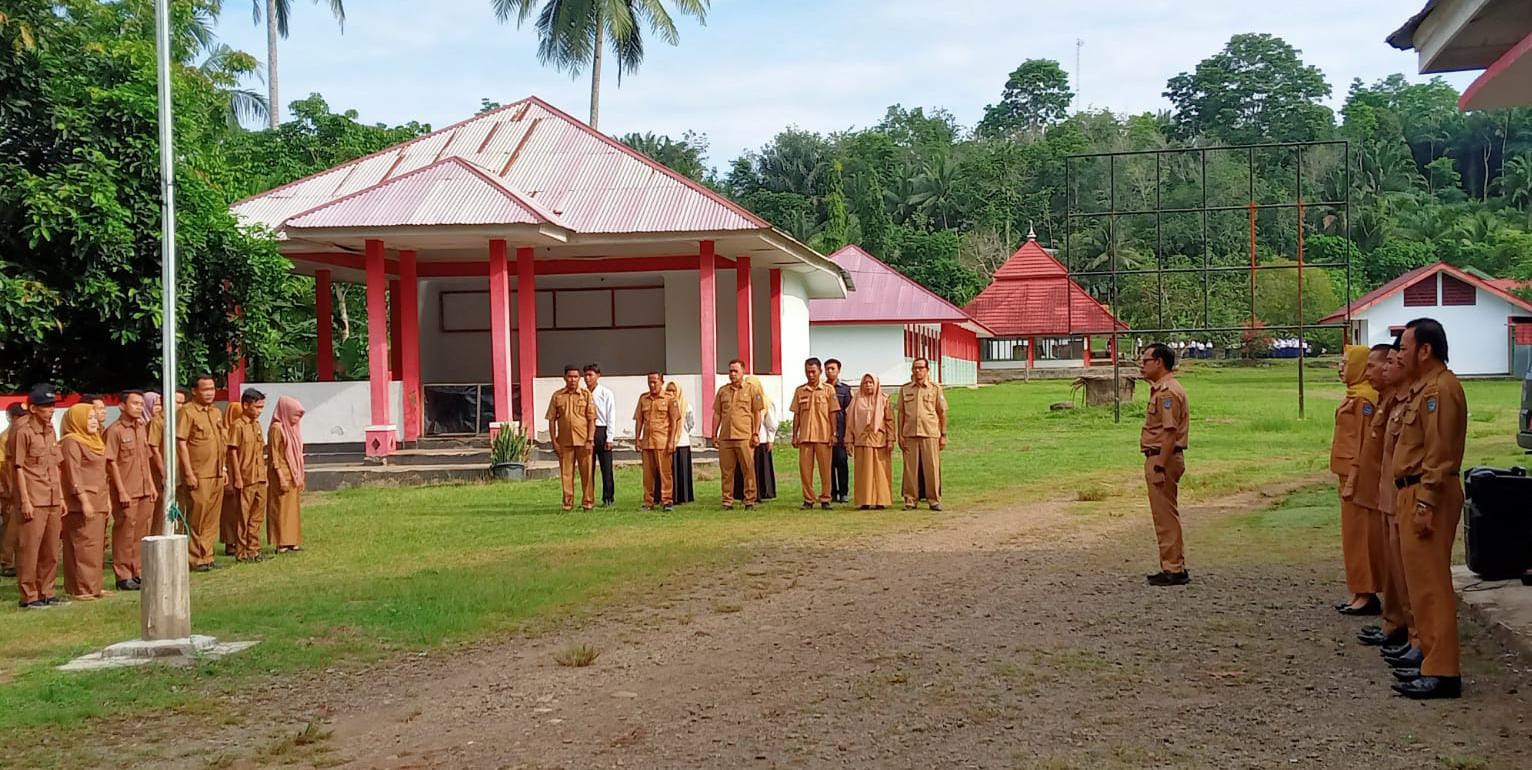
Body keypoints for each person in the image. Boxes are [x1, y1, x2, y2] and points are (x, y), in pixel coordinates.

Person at [1388, 318, 1468, 700]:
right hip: (1412, 490)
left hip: (1427, 493)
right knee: (1420, 585)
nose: (1399, 354)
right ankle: (1429, 657)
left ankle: (1443, 670)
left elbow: (1440, 453)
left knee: (1433, 585)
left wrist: (1426, 501)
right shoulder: (1424, 390)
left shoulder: (1441, 390)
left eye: (1404, 347)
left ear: (1425, 350)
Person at [1357, 344, 1412, 649]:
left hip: (1402, 492)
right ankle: (1395, 623)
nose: (1386, 367)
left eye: (1392, 360)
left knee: (1406, 569)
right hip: (1385, 494)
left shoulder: (1418, 398)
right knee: (1393, 566)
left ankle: (1410, 633)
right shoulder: (1387, 399)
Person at [1332, 345, 1382, 616]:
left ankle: (1366, 592)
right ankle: (1358, 590)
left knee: (1361, 537)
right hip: (1347, 475)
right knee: (1352, 537)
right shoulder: (1354, 395)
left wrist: (1353, 480)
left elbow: (1365, 445)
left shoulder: (1365, 400)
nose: (1341, 367)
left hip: (1358, 479)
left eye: (1346, 362)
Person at [1137, 343, 1190, 587]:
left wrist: (1159, 465)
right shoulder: (1163, 390)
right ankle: (1172, 564)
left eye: (1146, 360)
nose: (1142, 365)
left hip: (1163, 458)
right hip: (1162, 456)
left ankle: (1173, 568)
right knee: (1165, 514)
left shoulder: (1167, 393)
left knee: (1165, 515)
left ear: (1159, 363)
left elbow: (1169, 432)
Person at [11, 385, 64, 608]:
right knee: (29, 549)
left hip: (51, 496)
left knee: (51, 549)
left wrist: (60, 497)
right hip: (33, 497)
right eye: (45, 407)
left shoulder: (50, 429)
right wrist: (24, 500)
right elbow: (18, 467)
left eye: (52, 406)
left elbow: (55, 465)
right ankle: (29, 595)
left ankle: (47, 591)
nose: (50, 410)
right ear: (33, 408)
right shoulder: (22, 431)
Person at [104, 390, 155, 591]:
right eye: (134, 403)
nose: (139, 407)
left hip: (143, 488)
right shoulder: (115, 431)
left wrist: (150, 484)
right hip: (126, 489)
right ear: (122, 406)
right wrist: (121, 490)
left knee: (141, 532)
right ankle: (123, 575)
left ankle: (138, 571)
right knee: (125, 533)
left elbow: (146, 459)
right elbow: (111, 463)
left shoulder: (141, 428)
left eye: (141, 404)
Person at [60, 403, 110, 601]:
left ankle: (94, 586)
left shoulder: (95, 440)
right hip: (82, 501)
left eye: (94, 418)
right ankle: (81, 588)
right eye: (88, 418)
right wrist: (83, 500)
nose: (93, 422)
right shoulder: (71, 441)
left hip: (99, 498)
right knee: (83, 545)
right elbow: (73, 473)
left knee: (96, 545)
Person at [177, 374, 227, 571]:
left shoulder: (215, 412)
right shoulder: (187, 412)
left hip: (216, 472)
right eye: (205, 390)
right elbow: (181, 443)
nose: (210, 393)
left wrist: (223, 468)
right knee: (198, 516)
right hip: (199, 473)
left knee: (212, 518)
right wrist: (188, 473)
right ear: (195, 391)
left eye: (212, 389)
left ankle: (207, 555)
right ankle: (195, 558)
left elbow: (220, 443)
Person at [897, 358, 948, 512]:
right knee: (910, 468)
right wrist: (900, 434)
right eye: (915, 368)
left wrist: (943, 434)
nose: (917, 371)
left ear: (927, 370)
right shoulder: (905, 389)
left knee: (931, 467)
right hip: (910, 433)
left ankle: (933, 500)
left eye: (920, 368)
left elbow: (942, 412)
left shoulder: (935, 389)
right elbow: (901, 413)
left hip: (930, 433)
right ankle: (911, 499)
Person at [791, 358, 840, 510]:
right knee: (805, 470)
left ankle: (826, 498)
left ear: (819, 371)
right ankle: (808, 499)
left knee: (825, 469)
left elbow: (833, 413)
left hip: (823, 436)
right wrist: (794, 434)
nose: (810, 375)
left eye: (813, 372)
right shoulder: (800, 390)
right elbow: (797, 415)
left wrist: (833, 433)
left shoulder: (828, 390)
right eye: (808, 372)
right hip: (805, 436)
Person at [714, 360, 763, 510]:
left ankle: (749, 500)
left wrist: (755, 433)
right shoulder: (723, 391)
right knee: (726, 471)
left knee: (748, 469)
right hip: (726, 437)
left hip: (744, 436)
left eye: (736, 371)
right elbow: (717, 414)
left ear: (743, 371)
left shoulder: (752, 390)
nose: (732, 374)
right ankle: (727, 500)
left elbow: (757, 413)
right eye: (730, 371)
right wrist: (713, 434)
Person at [547, 365, 597, 512]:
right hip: (565, 442)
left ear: (579, 378)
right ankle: (568, 503)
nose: (573, 380)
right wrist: (554, 441)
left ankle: (588, 502)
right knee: (566, 474)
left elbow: (592, 419)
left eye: (575, 377)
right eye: (570, 376)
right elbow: (551, 419)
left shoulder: (586, 395)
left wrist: (590, 439)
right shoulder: (558, 396)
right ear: (564, 378)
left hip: (583, 441)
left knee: (587, 473)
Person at [226, 389, 268, 562]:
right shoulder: (238, 425)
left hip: (259, 476)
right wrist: (236, 476)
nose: (259, 411)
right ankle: (241, 551)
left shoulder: (256, 425)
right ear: (246, 405)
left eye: (261, 407)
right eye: (257, 407)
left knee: (257, 515)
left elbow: (260, 450)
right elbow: (232, 451)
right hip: (245, 477)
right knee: (243, 515)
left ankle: (254, 549)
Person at [846, 373, 895, 510]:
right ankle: (865, 500)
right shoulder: (856, 400)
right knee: (863, 471)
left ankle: (881, 500)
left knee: (880, 471)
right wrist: (848, 441)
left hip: (880, 440)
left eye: (871, 383)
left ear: (876, 384)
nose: (868, 385)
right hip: (861, 440)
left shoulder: (884, 399)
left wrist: (891, 439)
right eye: (866, 383)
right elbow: (849, 422)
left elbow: (890, 421)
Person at [634, 372, 681, 511]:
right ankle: (648, 502)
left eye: (655, 382)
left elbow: (674, 422)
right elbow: (639, 420)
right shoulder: (643, 398)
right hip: (647, 442)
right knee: (647, 476)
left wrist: (672, 441)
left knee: (665, 473)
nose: (652, 385)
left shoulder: (669, 399)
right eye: (650, 382)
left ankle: (667, 501)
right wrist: (637, 439)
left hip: (663, 442)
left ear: (661, 382)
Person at [267, 395, 306, 553]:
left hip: (293, 473)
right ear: (286, 412)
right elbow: (274, 454)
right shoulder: (277, 428)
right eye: (295, 415)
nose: (297, 419)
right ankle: (280, 542)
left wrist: (299, 475)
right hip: (280, 472)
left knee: (292, 508)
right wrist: (280, 475)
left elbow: (296, 454)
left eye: (299, 416)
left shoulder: (293, 429)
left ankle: (292, 540)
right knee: (280, 507)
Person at [734, 376, 778, 502]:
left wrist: (770, 439)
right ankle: (744, 492)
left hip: (760, 439)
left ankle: (760, 492)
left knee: (758, 468)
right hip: (743, 438)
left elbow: (772, 424)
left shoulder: (766, 402)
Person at [584, 364, 617, 508]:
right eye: (585, 375)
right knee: (587, 468)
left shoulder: (606, 393)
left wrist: (610, 437)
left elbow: (611, 416)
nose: (587, 378)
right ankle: (588, 498)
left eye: (590, 375)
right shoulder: (582, 393)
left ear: (598, 376)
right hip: (586, 431)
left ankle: (608, 497)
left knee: (606, 468)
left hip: (602, 431)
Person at [0, 402, 27, 577]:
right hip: (9, 489)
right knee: (11, 526)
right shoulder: (5, 438)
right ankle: (6, 562)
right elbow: (4, 466)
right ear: (12, 418)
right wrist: (9, 489)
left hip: (23, 488)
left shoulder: (22, 435)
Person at [825, 358, 853, 504]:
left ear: (838, 370)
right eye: (827, 369)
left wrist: (849, 432)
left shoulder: (845, 389)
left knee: (842, 461)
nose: (830, 371)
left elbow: (850, 411)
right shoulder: (822, 388)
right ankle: (831, 492)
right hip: (825, 431)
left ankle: (844, 492)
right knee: (828, 463)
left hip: (841, 431)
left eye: (832, 369)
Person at [663, 382, 697, 505]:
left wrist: (681, 431)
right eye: (668, 390)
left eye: (673, 391)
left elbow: (691, 422)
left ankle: (683, 497)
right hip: (667, 442)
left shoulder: (686, 406)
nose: (671, 393)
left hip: (682, 442)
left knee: (681, 471)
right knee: (669, 471)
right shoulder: (664, 404)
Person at [219, 401, 245, 556]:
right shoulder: (223, 432)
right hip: (228, 475)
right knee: (229, 511)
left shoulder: (242, 428)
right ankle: (230, 542)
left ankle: (241, 539)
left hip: (242, 473)